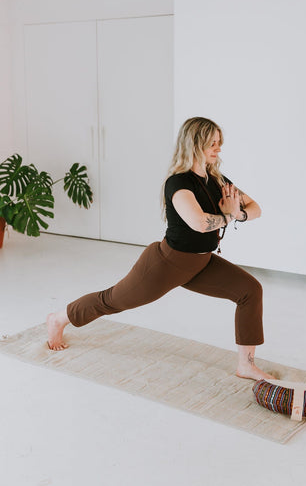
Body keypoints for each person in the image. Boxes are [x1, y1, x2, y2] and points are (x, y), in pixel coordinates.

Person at [47, 117, 275, 381]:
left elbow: (255, 208)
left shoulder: (217, 179)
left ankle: (246, 365)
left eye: (219, 142)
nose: (218, 148)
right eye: (212, 143)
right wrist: (229, 215)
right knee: (113, 300)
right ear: (194, 144)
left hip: (202, 263)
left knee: (250, 290)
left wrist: (239, 214)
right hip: (168, 264)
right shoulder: (178, 183)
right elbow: (199, 223)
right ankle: (59, 318)